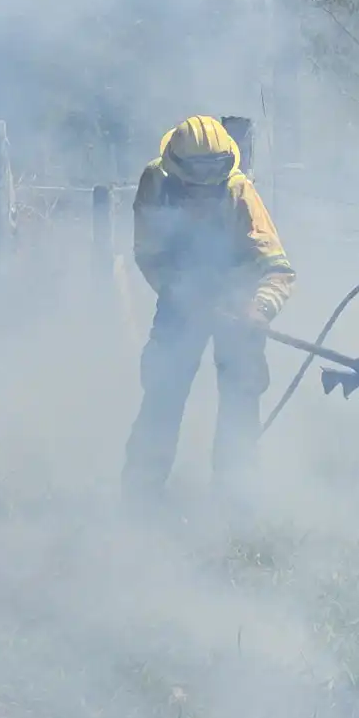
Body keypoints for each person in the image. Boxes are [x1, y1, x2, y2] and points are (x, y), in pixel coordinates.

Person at [124, 116, 295, 503]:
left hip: (240, 299)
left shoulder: (238, 192)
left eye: (211, 178)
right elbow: (148, 252)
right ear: (176, 169)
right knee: (163, 392)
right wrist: (182, 294)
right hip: (180, 300)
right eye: (193, 182)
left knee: (240, 393)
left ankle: (236, 500)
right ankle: (139, 497)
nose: (203, 191)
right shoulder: (155, 182)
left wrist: (260, 308)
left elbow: (278, 270)